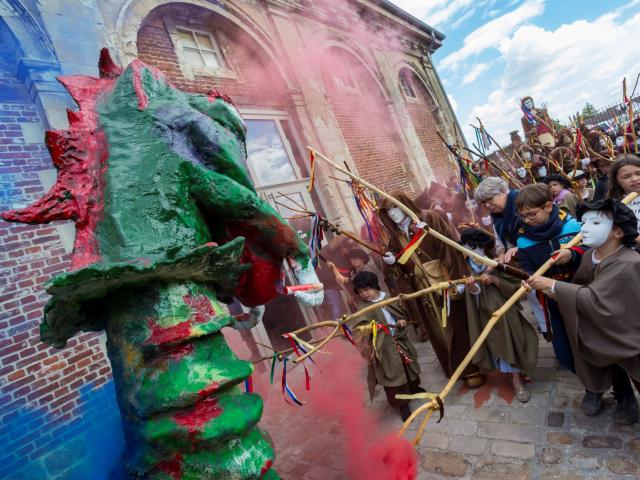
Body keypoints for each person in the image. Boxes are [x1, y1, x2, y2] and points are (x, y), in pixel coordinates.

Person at [527, 199, 640, 425]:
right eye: (584, 222)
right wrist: (551, 292)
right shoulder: (590, 256)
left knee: (621, 359)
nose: (584, 228)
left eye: (595, 222)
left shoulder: (629, 262)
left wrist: (553, 286)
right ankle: (596, 388)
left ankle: (626, 399)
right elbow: (581, 288)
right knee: (586, 354)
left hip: (622, 329)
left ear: (618, 231)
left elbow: (596, 298)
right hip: (594, 325)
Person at [378, 193, 485, 388]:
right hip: (422, 291)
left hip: (444, 281)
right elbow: (397, 265)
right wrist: (392, 261)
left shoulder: (429, 218)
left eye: (395, 207)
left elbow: (450, 245)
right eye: (388, 211)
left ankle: (471, 369)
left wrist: (457, 277)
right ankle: (453, 368)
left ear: (405, 205)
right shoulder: (396, 235)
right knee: (437, 330)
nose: (392, 214)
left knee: (457, 325)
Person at [460, 227, 539, 402]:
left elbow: (517, 287)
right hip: (485, 317)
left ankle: (517, 379)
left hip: (505, 314)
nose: (470, 253)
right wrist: (472, 287)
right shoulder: (465, 269)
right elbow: (473, 295)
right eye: (466, 248)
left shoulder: (496, 264)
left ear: (482, 247)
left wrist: (495, 280)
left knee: (513, 343)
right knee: (498, 347)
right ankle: (514, 377)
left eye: (473, 248)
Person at [515, 184, 582, 372]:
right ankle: (578, 373)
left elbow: (591, 252)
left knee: (588, 343)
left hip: (580, 294)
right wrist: (528, 279)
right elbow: (527, 268)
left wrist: (573, 253)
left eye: (531, 214)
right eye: (522, 216)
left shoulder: (572, 226)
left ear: (548, 207)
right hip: (552, 301)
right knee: (563, 352)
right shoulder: (523, 239)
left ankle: (597, 385)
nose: (526, 220)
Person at [351, 271, 423, 421]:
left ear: (375, 286)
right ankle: (402, 404)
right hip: (383, 345)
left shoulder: (388, 298)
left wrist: (402, 320)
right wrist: (369, 329)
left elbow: (400, 313)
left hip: (399, 338)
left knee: (408, 364)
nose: (364, 294)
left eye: (367, 289)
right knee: (392, 372)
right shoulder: (363, 307)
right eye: (360, 292)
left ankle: (414, 387)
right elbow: (359, 328)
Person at [474, 177, 521, 262]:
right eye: (484, 202)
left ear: (503, 191)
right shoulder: (496, 215)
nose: (487, 205)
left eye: (490, 199)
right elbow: (501, 243)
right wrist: (501, 255)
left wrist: (521, 247)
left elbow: (539, 230)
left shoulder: (522, 201)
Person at [607, 154, 640, 235]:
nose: (635, 179)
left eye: (638, 173)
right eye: (626, 176)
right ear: (617, 181)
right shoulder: (613, 208)